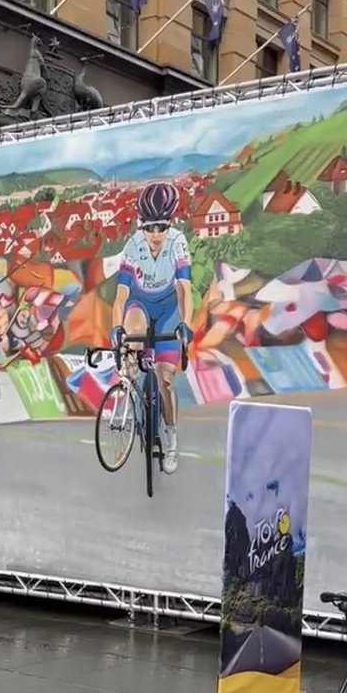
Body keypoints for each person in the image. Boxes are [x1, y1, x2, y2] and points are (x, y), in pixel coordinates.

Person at [110, 181, 193, 475]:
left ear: (170, 224)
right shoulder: (132, 246)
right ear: (141, 226)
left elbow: (184, 290)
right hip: (141, 305)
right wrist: (116, 329)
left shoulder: (178, 242)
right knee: (131, 343)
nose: (156, 234)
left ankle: (171, 438)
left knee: (166, 380)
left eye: (162, 227)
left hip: (169, 309)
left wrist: (186, 324)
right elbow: (121, 296)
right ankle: (130, 396)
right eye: (150, 227)